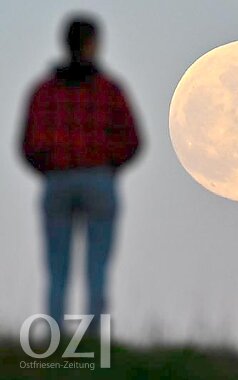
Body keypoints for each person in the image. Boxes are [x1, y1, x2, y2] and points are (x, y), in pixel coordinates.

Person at [21, 16, 141, 333]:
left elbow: (28, 142)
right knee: (97, 265)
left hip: (58, 180)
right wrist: (108, 166)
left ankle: (56, 335)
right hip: (97, 179)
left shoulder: (44, 92)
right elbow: (132, 139)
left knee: (57, 266)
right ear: (91, 44)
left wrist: (49, 169)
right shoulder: (109, 90)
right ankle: (91, 337)